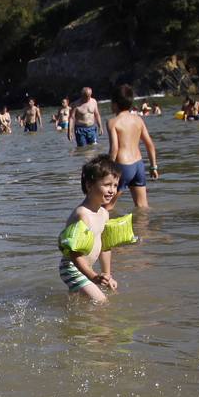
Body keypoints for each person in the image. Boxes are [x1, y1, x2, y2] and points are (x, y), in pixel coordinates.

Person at [58, 157, 122, 304]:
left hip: (85, 267)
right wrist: (92, 276)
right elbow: (74, 253)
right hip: (72, 267)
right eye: (107, 185)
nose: (112, 190)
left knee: (79, 304)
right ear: (89, 185)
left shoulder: (104, 214)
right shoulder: (82, 215)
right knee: (102, 301)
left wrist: (107, 274)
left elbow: (105, 246)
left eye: (115, 185)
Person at [107, 84, 160, 210]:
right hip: (138, 165)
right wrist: (153, 167)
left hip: (123, 166)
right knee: (142, 206)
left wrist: (107, 170)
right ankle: (144, 229)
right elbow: (150, 145)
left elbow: (114, 149)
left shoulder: (112, 122)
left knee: (107, 206)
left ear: (114, 104)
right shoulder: (138, 120)